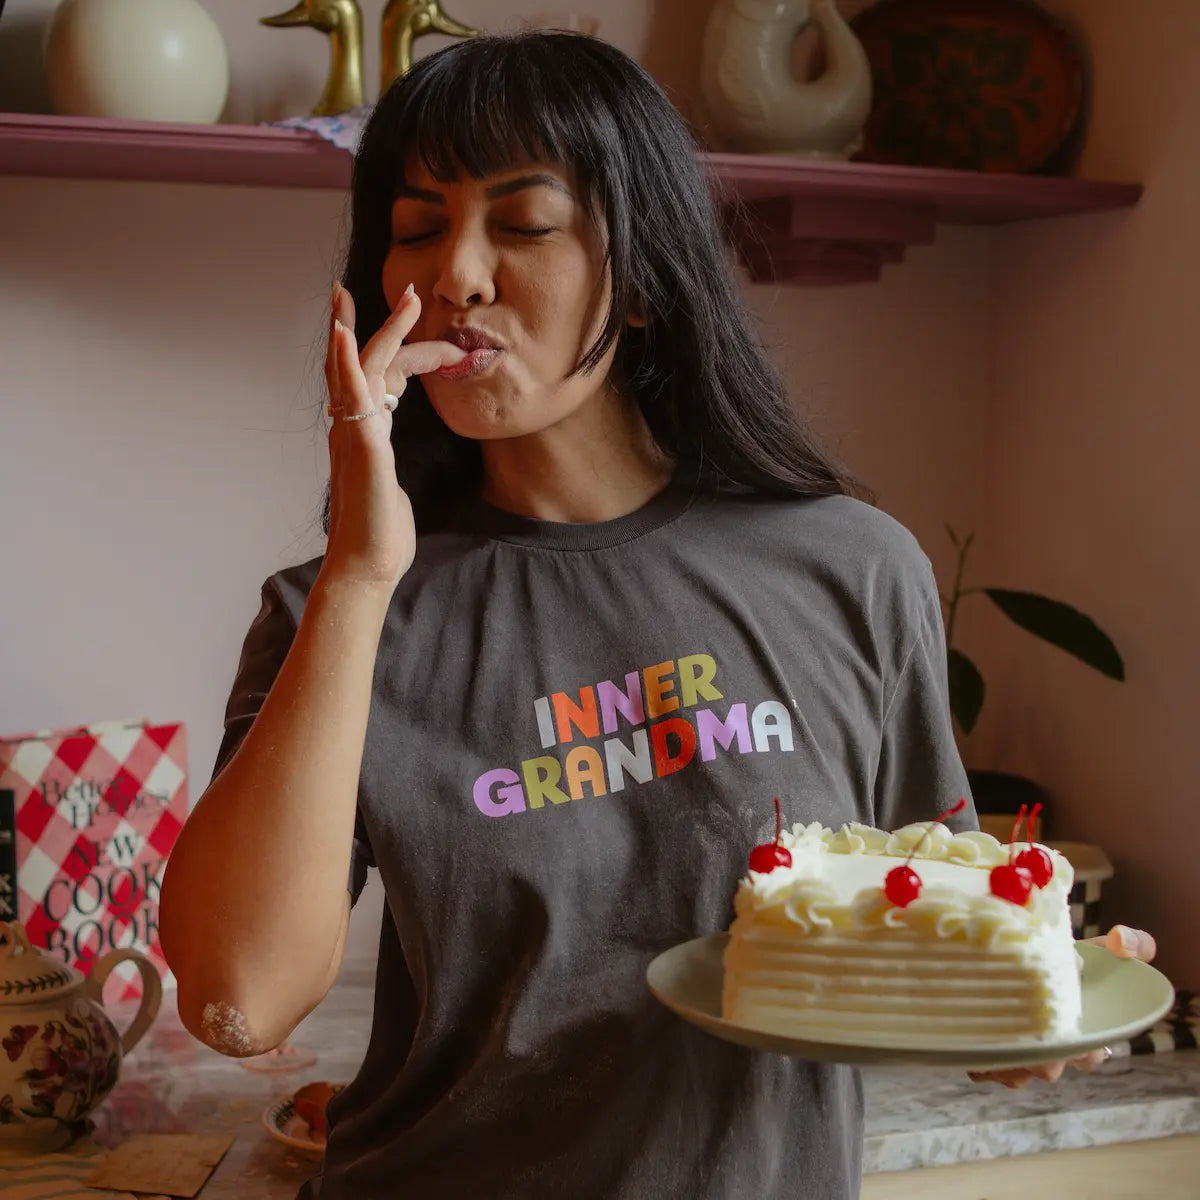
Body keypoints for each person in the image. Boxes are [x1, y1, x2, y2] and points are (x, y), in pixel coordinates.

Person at [159, 30, 1156, 1200]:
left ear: (638, 280)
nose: (454, 275)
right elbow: (239, 1000)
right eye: (418, 225)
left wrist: (1045, 1016)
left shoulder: (854, 571)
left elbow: (920, 949)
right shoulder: (342, 613)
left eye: (520, 224)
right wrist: (360, 579)